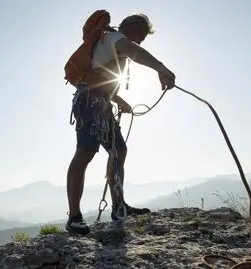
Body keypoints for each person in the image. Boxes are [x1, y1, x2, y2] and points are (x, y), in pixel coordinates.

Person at [65, 13, 176, 235]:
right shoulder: (114, 37)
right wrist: (161, 68)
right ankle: (75, 217)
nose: (142, 40)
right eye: (142, 34)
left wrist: (119, 100)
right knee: (85, 152)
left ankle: (118, 206)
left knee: (119, 150)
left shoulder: (109, 41)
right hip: (91, 102)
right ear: (131, 26)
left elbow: (100, 78)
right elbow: (134, 52)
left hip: (97, 101)